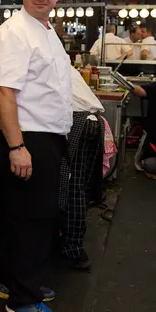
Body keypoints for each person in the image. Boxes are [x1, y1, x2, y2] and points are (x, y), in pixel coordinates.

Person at [0, 0, 71, 312]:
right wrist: (17, 147)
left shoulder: (45, 30)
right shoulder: (15, 32)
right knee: (33, 217)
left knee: (20, 214)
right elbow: (3, 91)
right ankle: (23, 299)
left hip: (42, 135)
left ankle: (14, 281)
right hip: (26, 136)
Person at [59, 67, 104, 271]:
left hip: (77, 119)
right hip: (91, 120)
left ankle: (73, 249)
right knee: (78, 184)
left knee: (72, 185)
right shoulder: (60, 61)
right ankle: (69, 242)